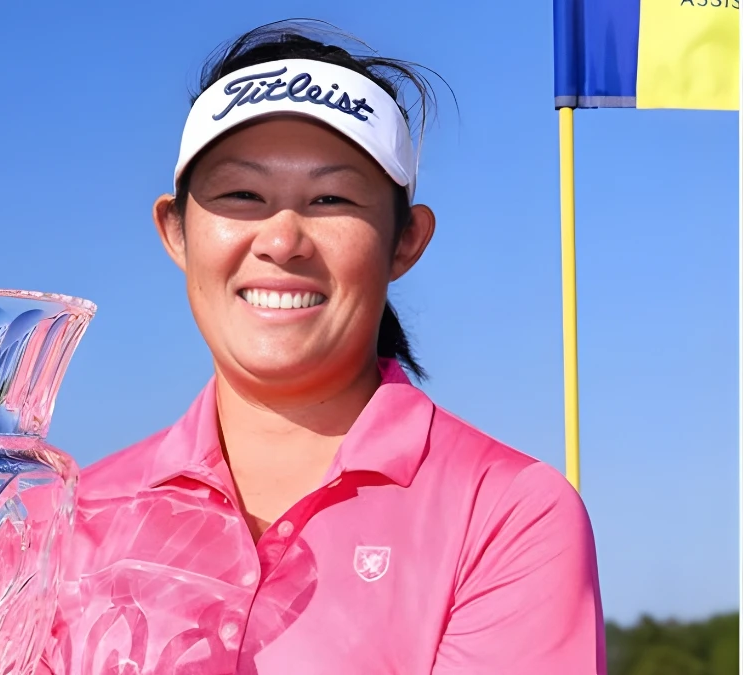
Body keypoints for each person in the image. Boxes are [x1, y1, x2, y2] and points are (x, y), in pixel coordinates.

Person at [39, 19, 605, 675]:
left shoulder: (507, 514)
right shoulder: (68, 517)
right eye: (242, 195)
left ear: (405, 242)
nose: (282, 239)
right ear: (176, 230)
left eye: (331, 198)